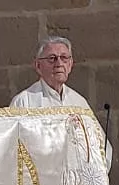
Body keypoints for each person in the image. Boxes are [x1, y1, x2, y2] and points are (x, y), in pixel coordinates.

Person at [9, 36, 111, 172]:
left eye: (64, 58)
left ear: (70, 65)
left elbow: (101, 146)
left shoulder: (79, 103)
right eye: (52, 58)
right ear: (38, 66)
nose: (59, 63)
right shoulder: (24, 102)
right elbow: (11, 151)